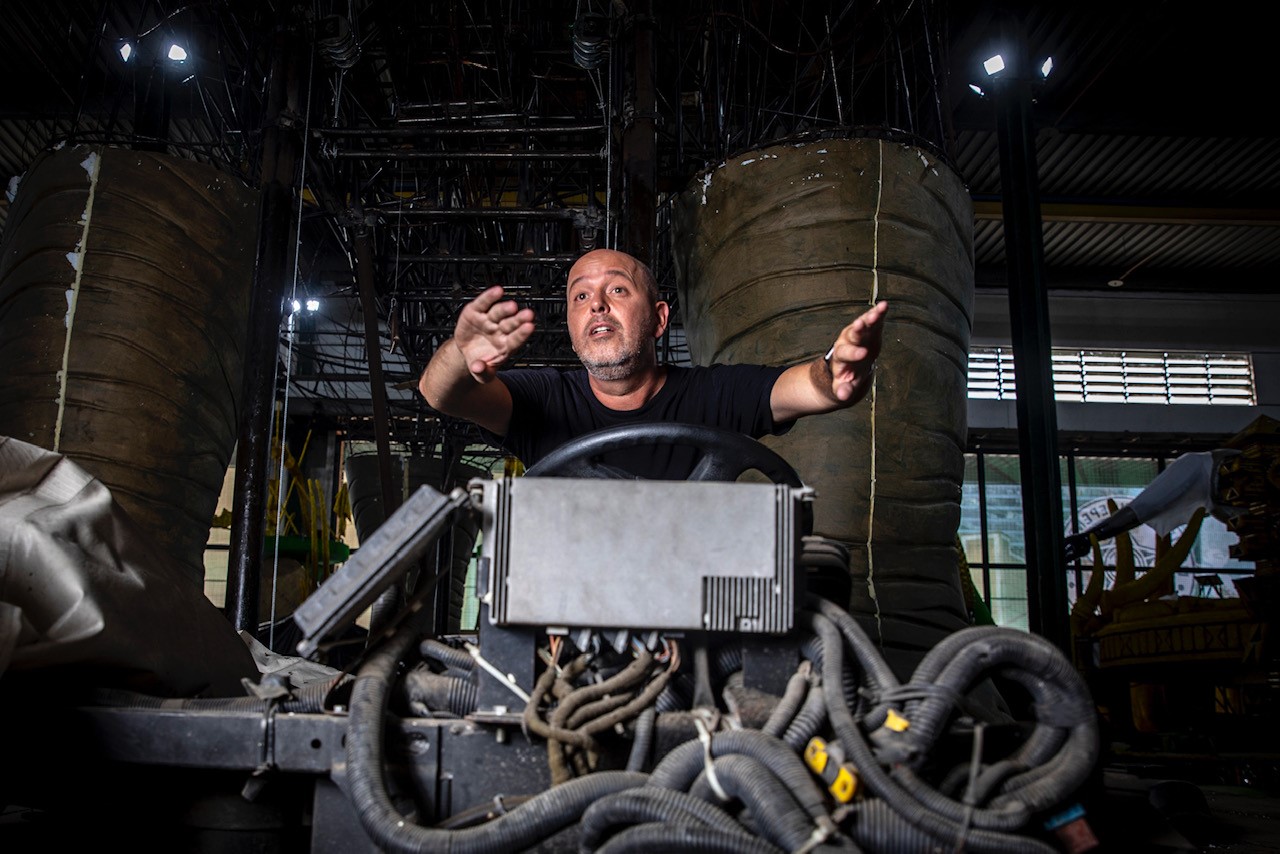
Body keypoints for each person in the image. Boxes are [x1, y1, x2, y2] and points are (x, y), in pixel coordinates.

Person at [418, 248, 888, 479]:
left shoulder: (713, 395)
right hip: (569, 616)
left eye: (617, 289)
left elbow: (805, 387)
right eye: (580, 296)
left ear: (659, 319)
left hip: (693, 619)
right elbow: (440, 392)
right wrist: (460, 354)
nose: (597, 305)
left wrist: (836, 372)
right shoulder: (543, 399)